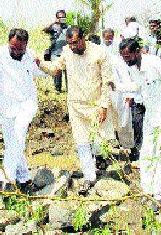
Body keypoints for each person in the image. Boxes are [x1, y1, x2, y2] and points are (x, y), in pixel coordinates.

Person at [37, 26, 115, 195]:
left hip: (96, 105)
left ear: (83, 38)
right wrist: (40, 63)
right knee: (82, 141)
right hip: (76, 105)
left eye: (74, 43)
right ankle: (89, 176)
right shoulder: (66, 52)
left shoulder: (100, 53)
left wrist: (104, 105)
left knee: (99, 142)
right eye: (70, 43)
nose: (72, 47)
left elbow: (108, 81)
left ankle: (99, 160)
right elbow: (55, 69)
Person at [118, 38, 161, 210]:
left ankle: (159, 195)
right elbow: (138, 87)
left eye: (127, 56)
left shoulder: (155, 63)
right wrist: (117, 86)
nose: (126, 60)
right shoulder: (134, 68)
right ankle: (146, 192)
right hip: (150, 117)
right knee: (146, 154)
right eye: (123, 57)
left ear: (137, 51)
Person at [0, 28, 45, 193]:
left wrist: (45, 62)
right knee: (12, 143)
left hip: (26, 105)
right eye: (13, 48)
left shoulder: (31, 56)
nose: (16, 51)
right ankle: (24, 177)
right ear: (8, 43)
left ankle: (6, 179)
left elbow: (43, 72)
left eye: (20, 49)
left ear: (26, 45)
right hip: (7, 107)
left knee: (18, 137)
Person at [101, 28, 134, 149]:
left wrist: (129, 94)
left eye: (110, 37)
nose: (108, 39)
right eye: (106, 37)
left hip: (118, 93)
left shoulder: (116, 58)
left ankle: (128, 147)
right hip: (103, 94)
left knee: (123, 120)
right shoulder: (98, 54)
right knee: (106, 121)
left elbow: (125, 76)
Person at [42, 10, 70, 92]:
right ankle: (58, 89)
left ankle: (69, 89)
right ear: (57, 18)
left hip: (67, 53)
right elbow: (43, 29)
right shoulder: (53, 27)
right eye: (60, 17)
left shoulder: (69, 27)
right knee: (57, 71)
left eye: (63, 17)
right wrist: (53, 22)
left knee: (68, 72)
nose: (62, 19)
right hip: (55, 53)